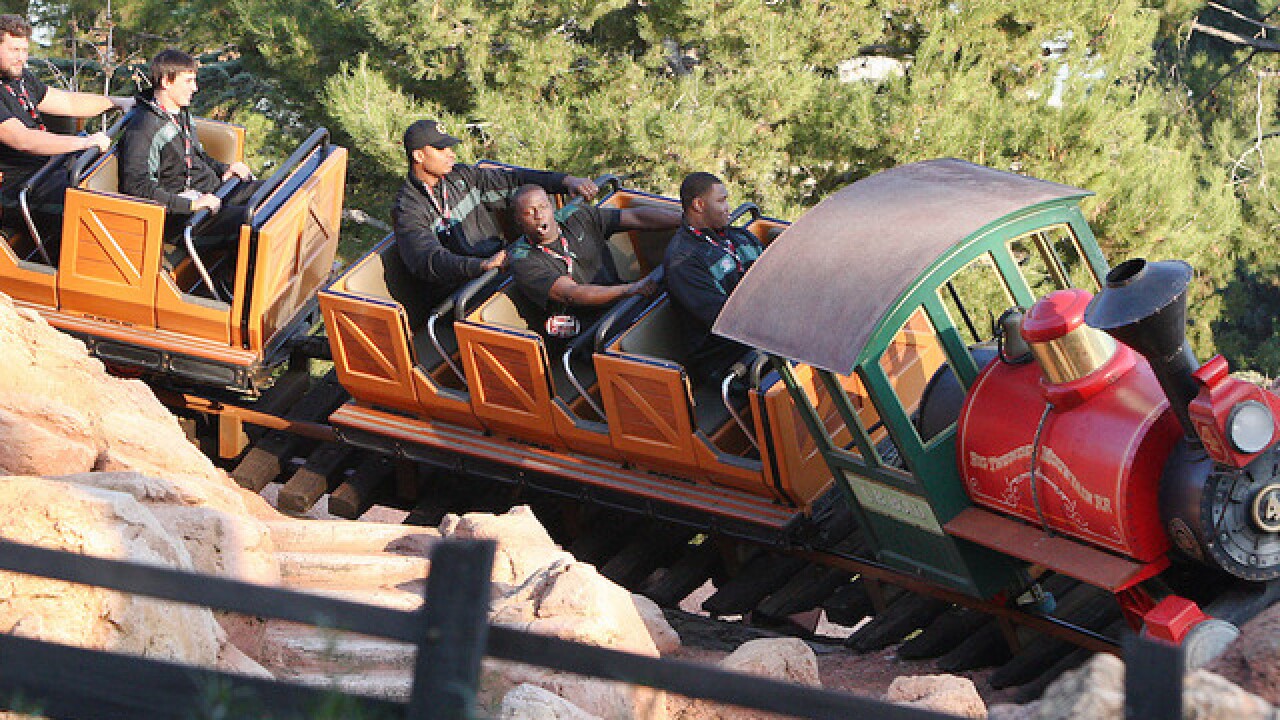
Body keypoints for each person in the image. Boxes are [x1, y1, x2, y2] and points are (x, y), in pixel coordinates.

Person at [392, 118, 600, 306]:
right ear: (418, 156)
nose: (450, 153)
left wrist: (566, 181)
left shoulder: (461, 176)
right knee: (549, 290)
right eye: (440, 149)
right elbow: (428, 260)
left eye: (449, 147)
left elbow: (515, 180)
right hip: (462, 292)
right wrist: (480, 266)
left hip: (499, 269)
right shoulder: (408, 210)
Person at [0, 14, 132, 244]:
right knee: (94, 200)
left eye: (24, 50)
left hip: (48, 171)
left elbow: (68, 102)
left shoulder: (20, 78)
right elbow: (22, 139)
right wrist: (83, 143)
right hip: (17, 187)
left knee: (124, 175)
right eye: (14, 50)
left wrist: (117, 102)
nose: (22, 58)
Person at [507, 184, 679, 348]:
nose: (539, 215)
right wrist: (629, 290)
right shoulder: (523, 260)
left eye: (543, 207)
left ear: (552, 207)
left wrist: (686, 221)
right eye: (529, 212)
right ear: (518, 221)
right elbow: (572, 294)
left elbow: (636, 217)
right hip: (587, 328)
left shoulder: (576, 216)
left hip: (622, 304)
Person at [118, 49, 257, 246]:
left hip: (212, 193)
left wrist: (225, 168)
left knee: (278, 193)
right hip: (184, 218)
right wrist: (191, 205)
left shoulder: (181, 114)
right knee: (256, 221)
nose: (195, 88)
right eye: (188, 81)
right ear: (166, 82)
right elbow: (137, 186)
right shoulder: (144, 127)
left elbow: (196, 155)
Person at [663, 172, 763, 379]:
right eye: (721, 201)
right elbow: (727, 321)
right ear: (699, 205)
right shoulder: (683, 262)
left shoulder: (741, 237)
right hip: (727, 358)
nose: (728, 208)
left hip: (766, 331)